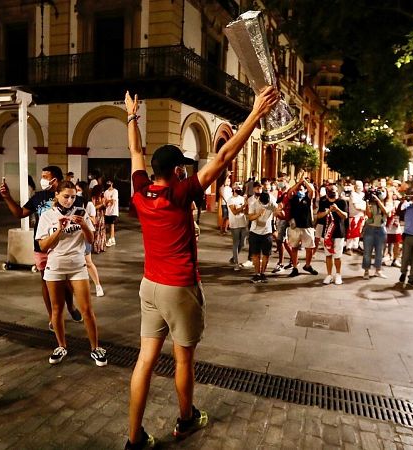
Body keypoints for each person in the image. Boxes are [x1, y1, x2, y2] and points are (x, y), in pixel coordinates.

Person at [124, 87, 279, 449]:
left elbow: (134, 151)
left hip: (149, 286)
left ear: (154, 170)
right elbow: (223, 156)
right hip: (179, 289)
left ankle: (134, 438)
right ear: (177, 170)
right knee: (183, 359)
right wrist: (254, 114)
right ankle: (186, 419)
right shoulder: (179, 194)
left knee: (145, 360)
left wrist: (132, 115)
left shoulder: (140, 190)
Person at [0, 166, 84, 328]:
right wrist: (7, 197)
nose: (42, 179)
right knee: (46, 281)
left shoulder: (72, 198)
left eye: (46, 176)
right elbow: (20, 213)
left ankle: (71, 306)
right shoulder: (38, 197)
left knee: (65, 282)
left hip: (65, 247)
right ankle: (52, 315)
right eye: (42, 176)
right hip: (43, 246)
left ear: (56, 180)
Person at [35, 180, 107, 365]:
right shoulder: (47, 216)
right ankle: (61, 346)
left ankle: (95, 348)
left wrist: (83, 225)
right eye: (66, 197)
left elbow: (90, 240)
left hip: (77, 265)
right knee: (57, 309)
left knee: (87, 310)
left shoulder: (80, 212)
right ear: (57, 195)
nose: (69, 201)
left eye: (73, 197)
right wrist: (59, 229)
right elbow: (43, 246)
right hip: (55, 266)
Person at [286, 171, 318, 277]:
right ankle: (295, 267)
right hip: (295, 227)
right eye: (298, 189)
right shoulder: (293, 198)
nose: (300, 190)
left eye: (302, 189)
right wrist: (298, 183)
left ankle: (308, 265)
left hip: (307, 226)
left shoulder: (307, 198)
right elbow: (289, 192)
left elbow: (312, 190)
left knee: (309, 247)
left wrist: (304, 181)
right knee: (294, 247)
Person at [317, 184, 348, 285]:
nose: (332, 192)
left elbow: (345, 216)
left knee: (337, 256)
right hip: (327, 233)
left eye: (334, 190)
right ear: (327, 193)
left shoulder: (342, 201)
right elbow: (319, 215)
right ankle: (329, 275)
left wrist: (337, 210)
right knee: (328, 255)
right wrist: (328, 211)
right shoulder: (323, 202)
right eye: (330, 191)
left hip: (339, 232)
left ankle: (338, 275)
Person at [247, 189, 277, 282]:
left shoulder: (271, 203)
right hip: (255, 232)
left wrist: (279, 210)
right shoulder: (254, 204)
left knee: (266, 254)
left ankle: (263, 273)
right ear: (259, 200)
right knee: (255, 255)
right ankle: (257, 273)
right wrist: (258, 214)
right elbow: (250, 217)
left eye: (266, 202)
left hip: (267, 232)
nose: (265, 204)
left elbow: (277, 210)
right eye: (263, 203)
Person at [362, 184, 389, 279]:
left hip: (381, 229)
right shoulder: (370, 203)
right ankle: (366, 271)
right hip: (370, 228)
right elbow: (369, 216)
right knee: (367, 252)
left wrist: (378, 201)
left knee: (379, 252)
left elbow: (386, 212)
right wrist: (367, 202)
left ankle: (378, 270)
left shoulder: (387, 203)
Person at [228, 184, 248, 271]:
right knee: (236, 243)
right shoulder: (230, 200)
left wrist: (244, 207)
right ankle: (236, 263)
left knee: (243, 243)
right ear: (234, 189)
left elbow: (245, 210)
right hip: (234, 224)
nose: (239, 189)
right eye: (237, 188)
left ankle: (233, 258)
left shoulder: (242, 198)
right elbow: (235, 212)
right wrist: (243, 207)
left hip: (243, 222)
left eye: (240, 188)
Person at [344, 181, 366, 254]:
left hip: (361, 216)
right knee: (351, 232)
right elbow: (356, 206)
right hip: (354, 216)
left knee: (358, 232)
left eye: (360, 186)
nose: (359, 187)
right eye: (357, 186)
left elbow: (365, 204)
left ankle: (355, 246)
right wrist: (365, 208)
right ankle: (348, 247)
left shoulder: (363, 194)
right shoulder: (353, 194)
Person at [91, 185, 107, 254]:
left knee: (102, 231)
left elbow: (104, 207)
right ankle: (96, 247)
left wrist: (105, 204)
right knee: (96, 231)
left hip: (101, 216)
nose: (102, 192)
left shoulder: (102, 197)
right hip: (96, 215)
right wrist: (101, 205)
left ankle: (101, 246)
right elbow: (93, 207)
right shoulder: (94, 198)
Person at [104, 180, 120, 247]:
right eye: (107, 182)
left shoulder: (115, 191)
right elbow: (105, 201)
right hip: (107, 211)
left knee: (112, 224)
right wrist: (108, 200)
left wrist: (108, 200)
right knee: (108, 225)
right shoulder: (106, 192)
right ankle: (112, 239)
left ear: (112, 183)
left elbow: (113, 201)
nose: (108, 183)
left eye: (109, 182)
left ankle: (111, 238)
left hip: (113, 211)